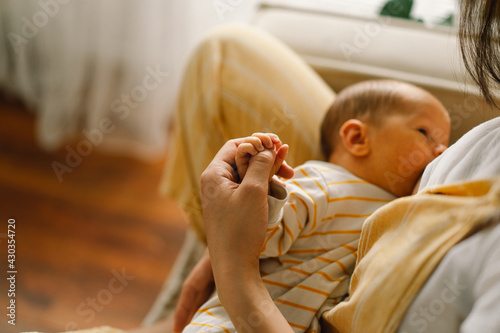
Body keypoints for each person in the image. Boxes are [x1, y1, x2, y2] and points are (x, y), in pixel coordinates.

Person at [182, 79, 450, 333]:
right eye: (425, 133)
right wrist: (265, 191)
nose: (441, 152)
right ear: (357, 138)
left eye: (445, 145)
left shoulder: (397, 208)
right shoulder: (323, 182)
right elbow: (255, 238)